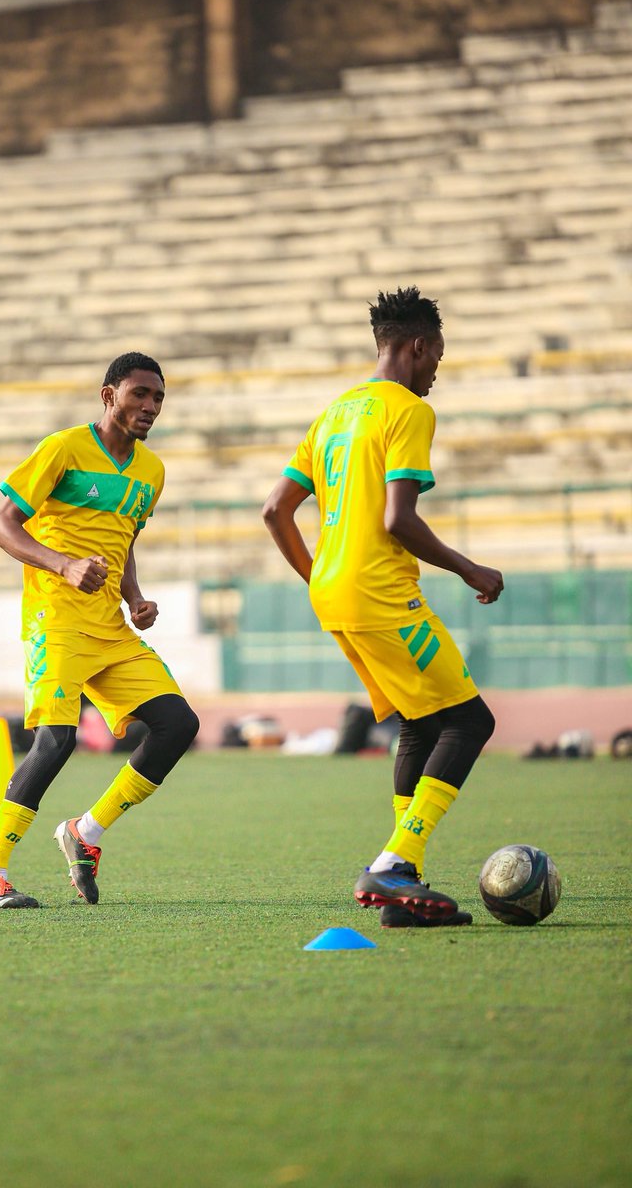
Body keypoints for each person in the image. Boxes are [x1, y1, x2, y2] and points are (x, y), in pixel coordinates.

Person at [262, 286, 503, 928]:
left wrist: (321, 576)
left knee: (419, 724)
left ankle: (405, 887)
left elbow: (275, 510)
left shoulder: (335, 412)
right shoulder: (407, 413)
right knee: (469, 722)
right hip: (380, 591)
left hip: (334, 594)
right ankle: (398, 861)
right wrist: (469, 566)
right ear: (418, 346)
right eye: (436, 361)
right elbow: (399, 519)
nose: (434, 376)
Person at [0, 352, 199, 909]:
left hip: (111, 629)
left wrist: (134, 596)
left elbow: (124, 540)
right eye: (139, 393)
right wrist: (63, 564)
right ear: (107, 395)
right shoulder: (63, 448)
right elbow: (0, 527)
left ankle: (85, 833)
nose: (150, 406)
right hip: (57, 621)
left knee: (177, 724)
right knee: (56, 740)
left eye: (159, 397)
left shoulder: (152, 471)